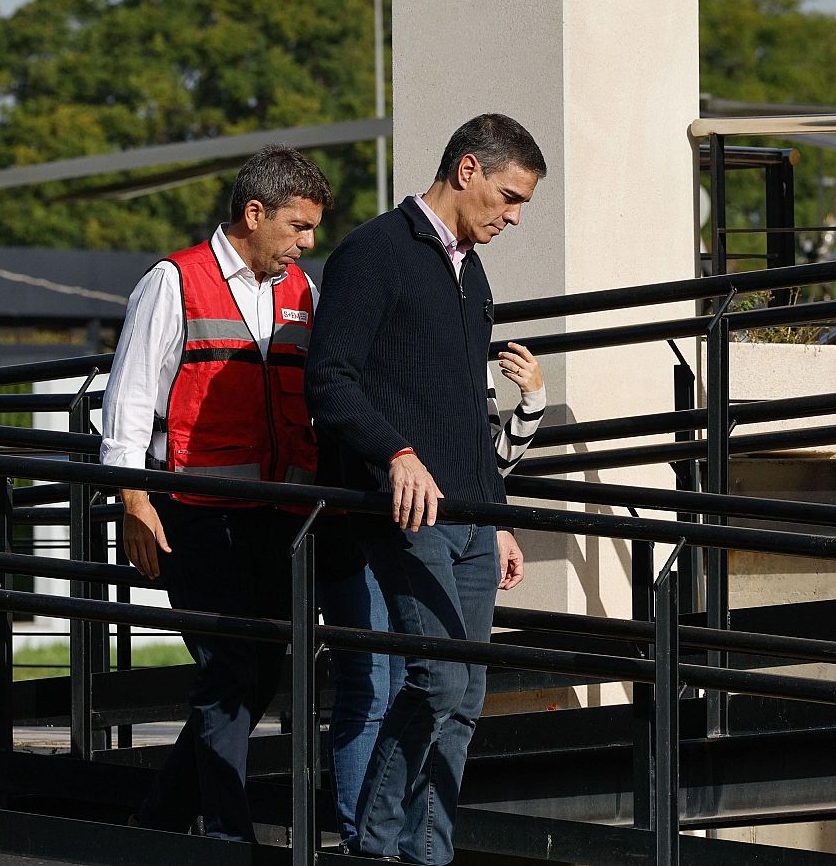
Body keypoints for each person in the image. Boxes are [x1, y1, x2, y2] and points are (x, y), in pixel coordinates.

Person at [306, 113, 547, 864]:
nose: (512, 217)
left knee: (467, 701)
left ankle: (428, 856)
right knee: (438, 686)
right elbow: (329, 381)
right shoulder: (372, 253)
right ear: (467, 169)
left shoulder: (471, 272)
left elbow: (470, 413)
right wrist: (396, 453)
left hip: (472, 516)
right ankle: (373, 850)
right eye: (508, 197)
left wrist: (499, 518)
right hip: (409, 511)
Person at [100, 145, 332, 842]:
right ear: (253, 214)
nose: (308, 243)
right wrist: (134, 503)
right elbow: (130, 401)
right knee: (232, 668)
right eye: (298, 226)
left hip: (279, 518)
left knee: (260, 671)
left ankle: (160, 820)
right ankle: (228, 837)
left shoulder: (304, 293)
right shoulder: (173, 282)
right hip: (193, 518)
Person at [318, 345, 546, 851]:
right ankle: (368, 842)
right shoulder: (375, 303)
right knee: (382, 685)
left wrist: (533, 402)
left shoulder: (464, 336)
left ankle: (416, 848)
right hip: (374, 516)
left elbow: (480, 461)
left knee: (449, 694)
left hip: (452, 526)